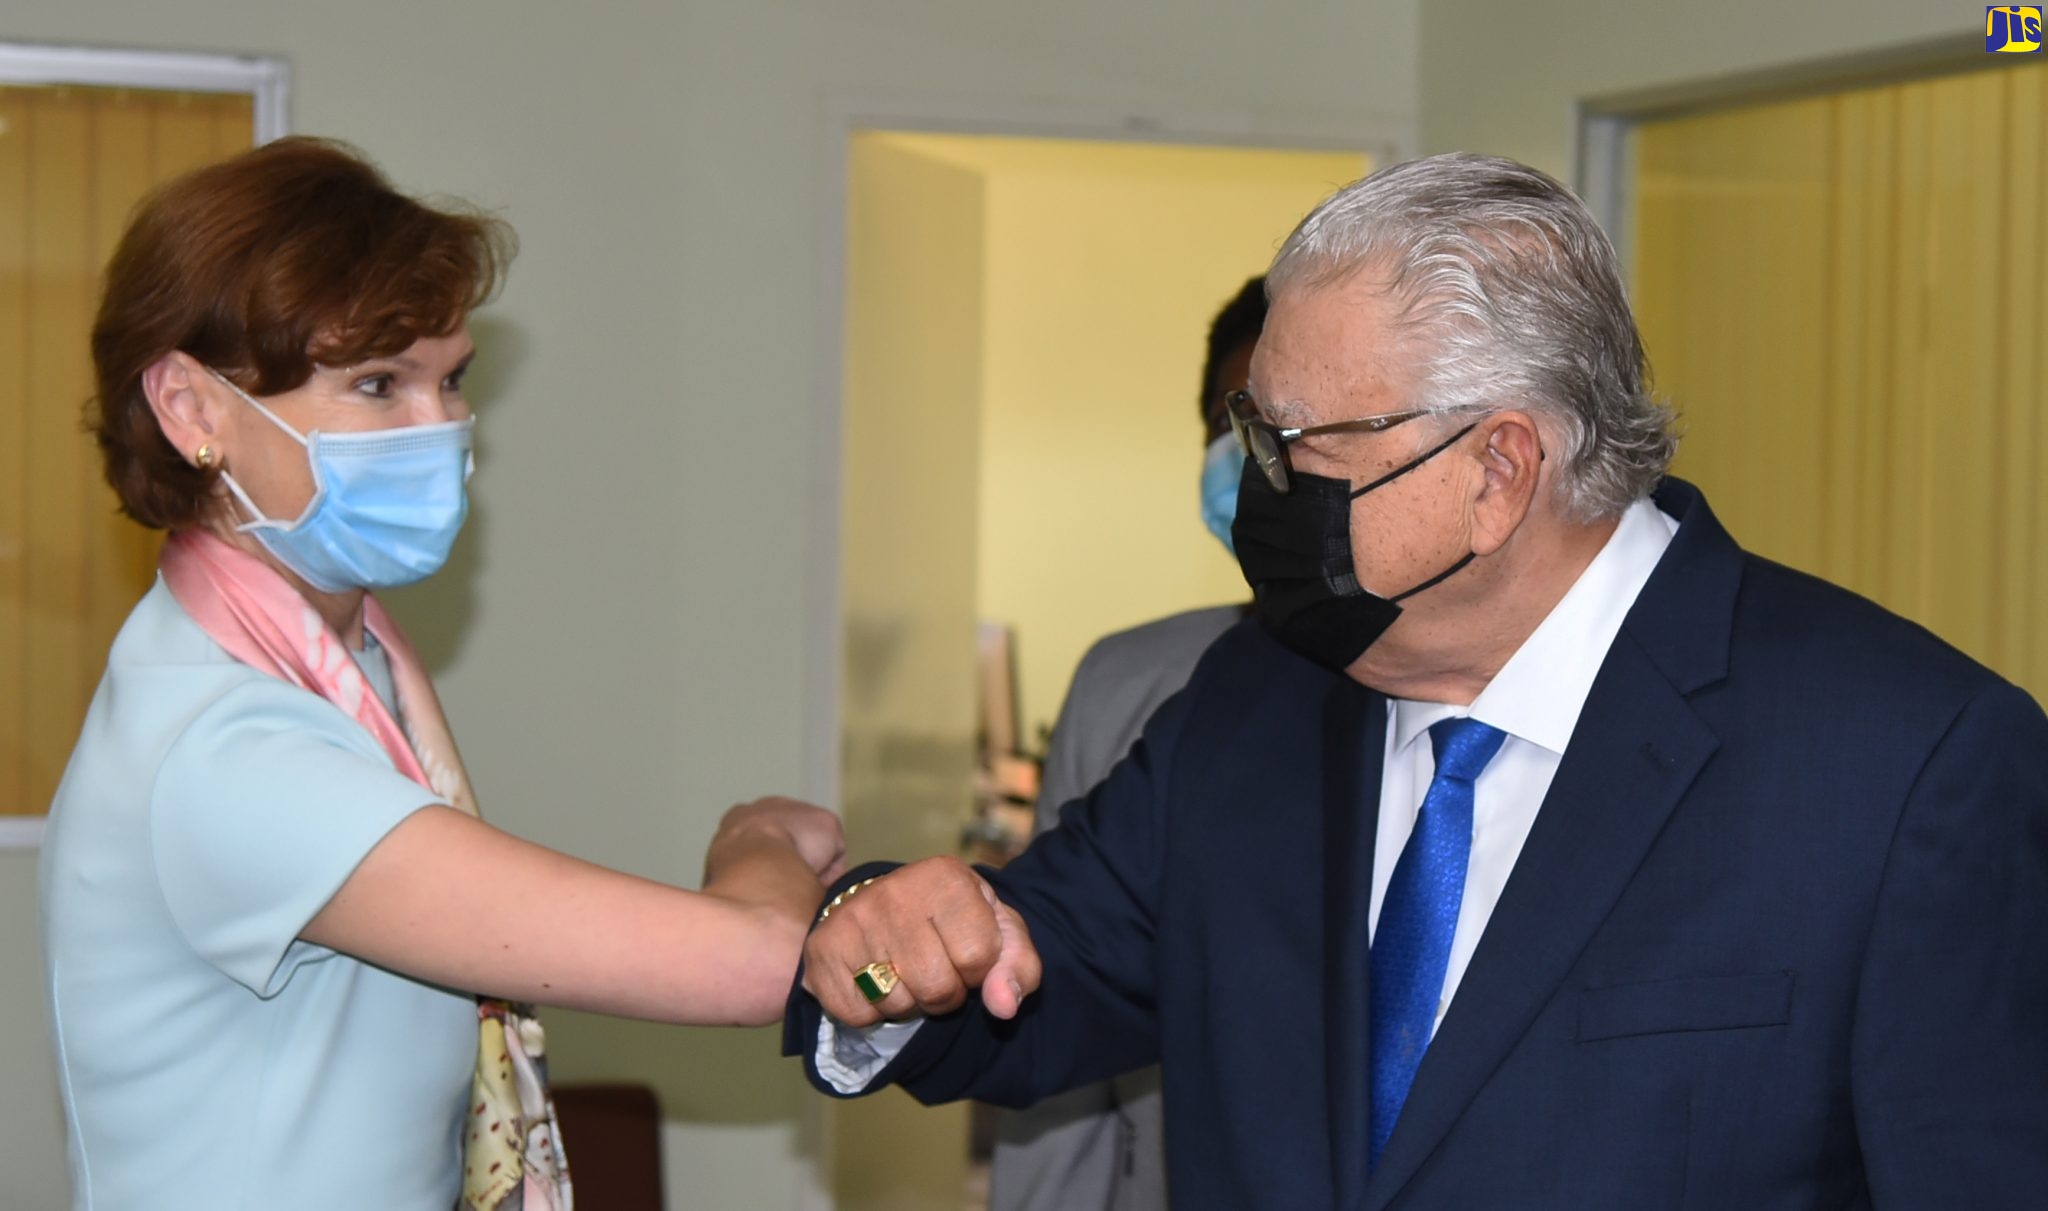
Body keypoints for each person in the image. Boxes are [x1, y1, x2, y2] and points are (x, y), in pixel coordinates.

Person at [786, 154, 2048, 1208]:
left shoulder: (1906, 763)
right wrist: (888, 957)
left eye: (1298, 445)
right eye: (1249, 436)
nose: (1262, 492)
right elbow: (1026, 966)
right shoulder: (1259, 694)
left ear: (1497, 470)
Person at [39, 137, 844, 1211]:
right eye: (378, 384)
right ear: (192, 409)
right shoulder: (225, 743)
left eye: (451, 378)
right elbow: (757, 961)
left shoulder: (343, 653)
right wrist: (759, 837)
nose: (445, 428)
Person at [986, 276, 1263, 1211]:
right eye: (1230, 431)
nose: (1251, 461)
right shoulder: (1129, 681)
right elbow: (1056, 999)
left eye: (1283, 431)